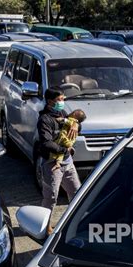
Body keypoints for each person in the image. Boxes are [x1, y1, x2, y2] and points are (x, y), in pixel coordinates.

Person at [37, 87, 81, 233]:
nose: (62, 102)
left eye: (63, 99)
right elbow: (46, 143)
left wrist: (76, 124)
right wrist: (64, 150)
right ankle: (45, 227)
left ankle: (74, 222)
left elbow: (73, 123)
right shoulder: (45, 120)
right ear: (50, 101)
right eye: (60, 100)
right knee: (51, 198)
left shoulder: (62, 113)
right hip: (52, 164)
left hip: (68, 163)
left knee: (76, 192)